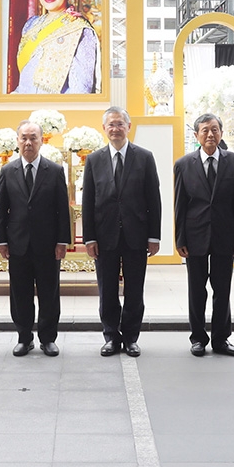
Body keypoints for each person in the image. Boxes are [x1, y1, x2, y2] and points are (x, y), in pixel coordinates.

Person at [82, 107, 162, 357]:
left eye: (119, 124)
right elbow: (88, 201)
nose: (115, 129)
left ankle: (130, 337)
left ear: (129, 127)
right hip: (104, 237)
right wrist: (89, 237)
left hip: (136, 235)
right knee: (106, 289)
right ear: (104, 129)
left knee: (135, 289)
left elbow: (153, 199)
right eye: (110, 125)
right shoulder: (94, 160)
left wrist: (154, 236)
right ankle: (110, 336)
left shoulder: (144, 157)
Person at [173, 114, 234, 357]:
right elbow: (180, 205)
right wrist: (180, 239)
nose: (210, 135)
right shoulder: (184, 164)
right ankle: (197, 338)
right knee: (196, 290)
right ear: (196, 136)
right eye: (204, 131)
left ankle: (221, 339)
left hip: (225, 236)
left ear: (221, 133)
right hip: (194, 237)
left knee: (222, 289)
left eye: (215, 130)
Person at [0, 120, 71, 356]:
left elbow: (63, 209)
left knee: (49, 293)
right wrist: (2, 241)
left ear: (41, 140)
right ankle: (23, 337)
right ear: (17, 141)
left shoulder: (55, 170)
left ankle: (48, 338)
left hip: (47, 245)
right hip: (18, 244)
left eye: (33, 138)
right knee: (20, 294)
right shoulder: (8, 171)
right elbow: (2, 210)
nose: (28, 143)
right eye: (24, 138)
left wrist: (62, 241)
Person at [13, 0, 99, 94]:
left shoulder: (79, 29)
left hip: (56, 110)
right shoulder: (31, 25)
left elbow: (81, 89)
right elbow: (24, 80)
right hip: (24, 107)